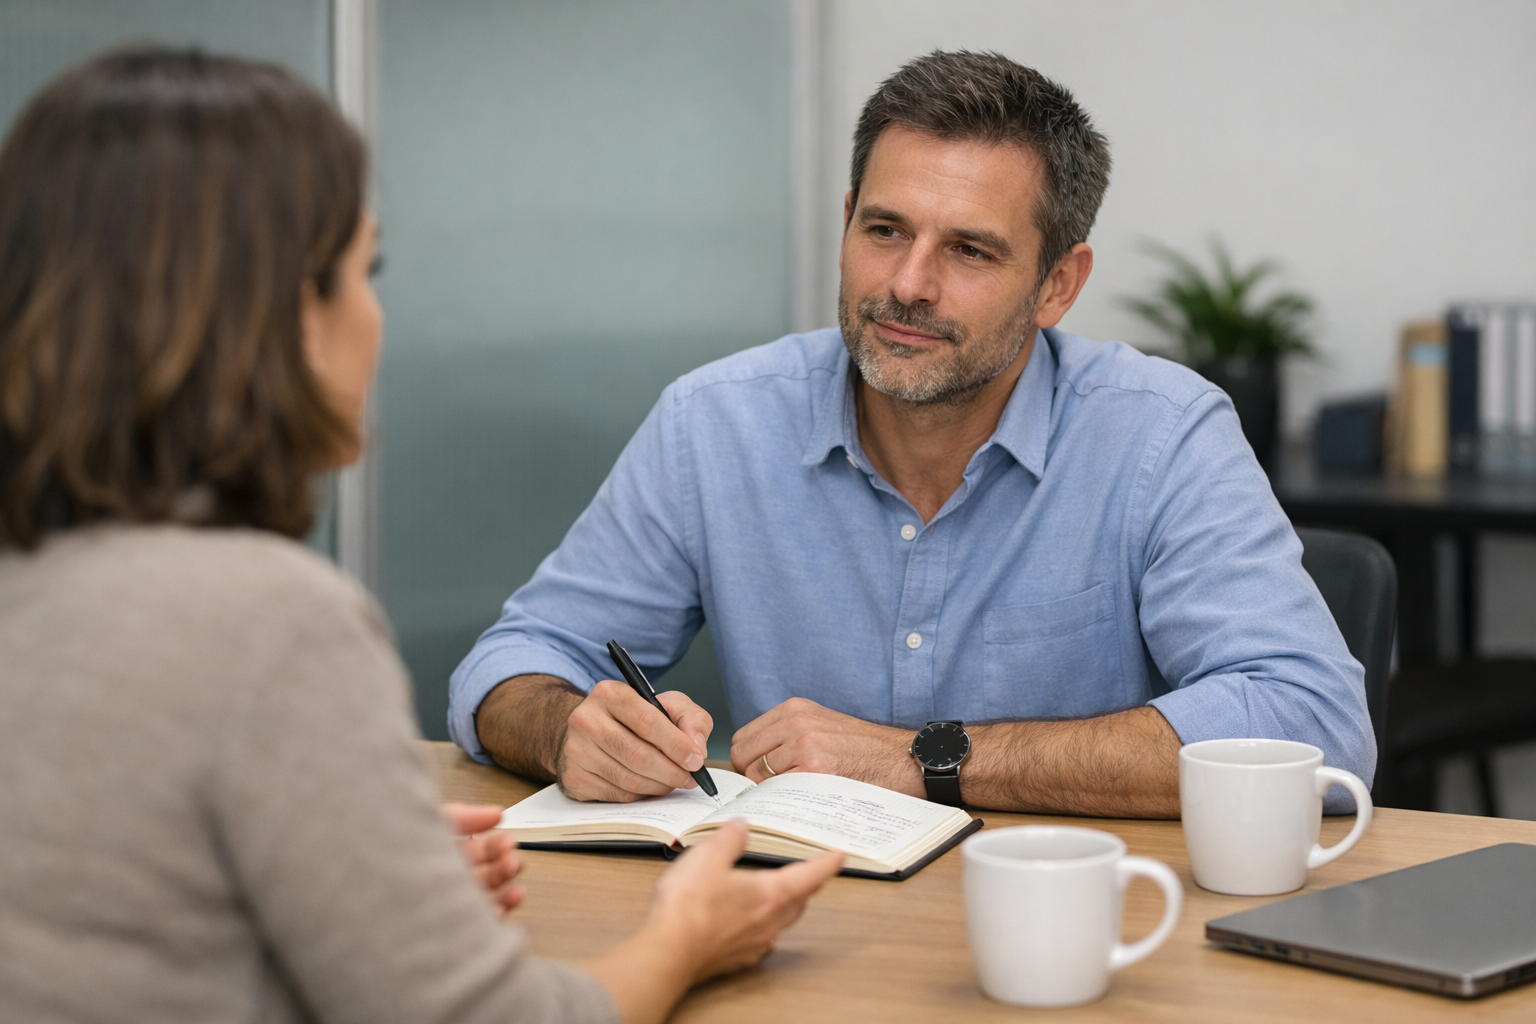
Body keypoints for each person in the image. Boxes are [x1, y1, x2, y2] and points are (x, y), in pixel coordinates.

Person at [0, 47, 840, 1024]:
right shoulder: (272, 621)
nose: (377, 318)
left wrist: (353, 862)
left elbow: (93, 887)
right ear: (270, 316)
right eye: (363, 271)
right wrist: (689, 935)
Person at [450, 49, 1374, 818]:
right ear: (846, 221)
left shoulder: (1161, 435)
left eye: (969, 250)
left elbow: (1313, 725)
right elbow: (511, 664)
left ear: (1059, 283)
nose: (908, 285)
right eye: (885, 230)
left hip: (1074, 933)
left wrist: (926, 759)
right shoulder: (715, 421)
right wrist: (569, 728)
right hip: (791, 931)